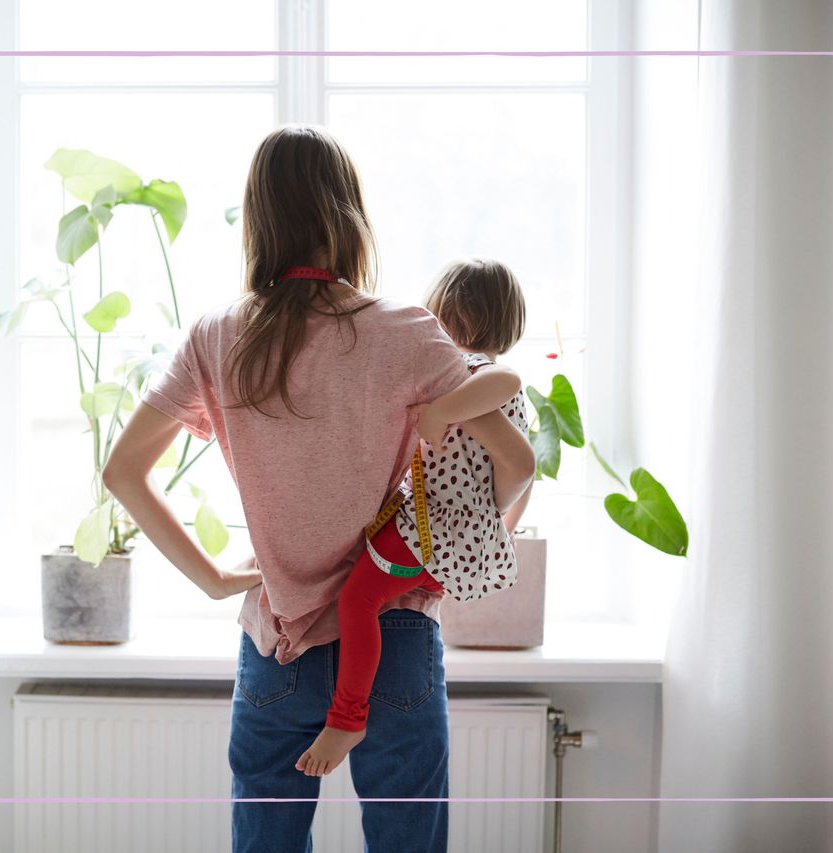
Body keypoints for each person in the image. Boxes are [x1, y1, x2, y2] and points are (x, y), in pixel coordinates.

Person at [102, 126, 533, 853]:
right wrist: (470, 539)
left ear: (260, 221)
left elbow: (122, 471)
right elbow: (515, 460)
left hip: (278, 640)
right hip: (396, 631)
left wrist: (212, 579)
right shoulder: (408, 330)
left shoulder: (216, 335)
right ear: (350, 217)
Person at [296, 258, 536, 777]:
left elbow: (507, 378)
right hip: (446, 545)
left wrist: (441, 412)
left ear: (451, 319)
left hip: (429, 533)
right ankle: (350, 712)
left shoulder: (468, 374)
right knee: (370, 594)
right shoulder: (476, 387)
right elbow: (518, 479)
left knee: (357, 600)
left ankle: (347, 716)